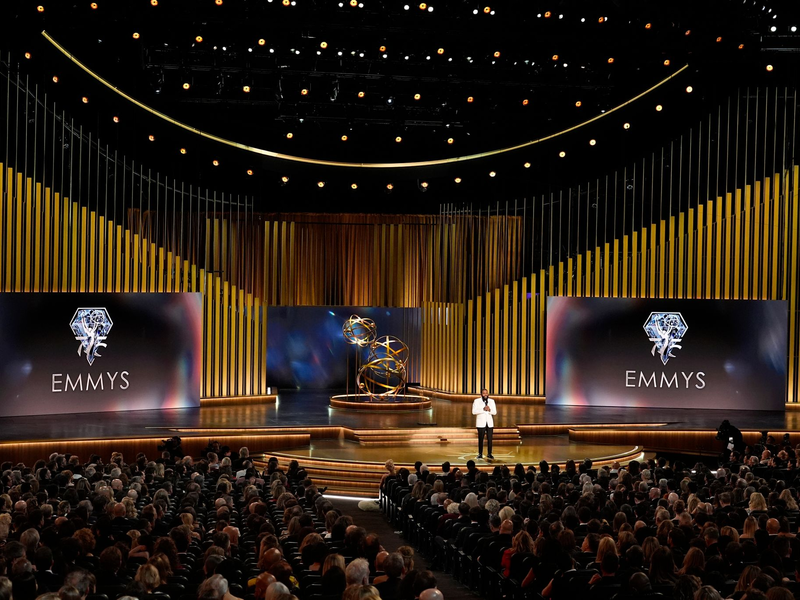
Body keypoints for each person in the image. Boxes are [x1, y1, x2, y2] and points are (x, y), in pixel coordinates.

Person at [472, 388, 497, 459]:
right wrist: (483, 409)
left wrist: (489, 410)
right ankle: (480, 453)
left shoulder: (492, 401)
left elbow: (495, 412)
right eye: (484, 393)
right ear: (481, 394)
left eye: (486, 393)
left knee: (490, 439)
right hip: (481, 423)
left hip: (489, 423)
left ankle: (489, 453)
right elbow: (474, 412)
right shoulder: (476, 401)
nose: (485, 394)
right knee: (481, 439)